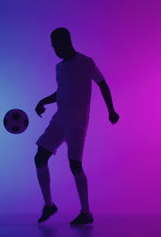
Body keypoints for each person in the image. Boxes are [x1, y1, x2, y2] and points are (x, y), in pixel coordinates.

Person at [35, 27, 119, 225]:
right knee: (40, 156)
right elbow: (62, 92)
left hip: (77, 123)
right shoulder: (60, 68)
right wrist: (43, 101)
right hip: (59, 119)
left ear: (66, 42)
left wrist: (111, 110)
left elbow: (102, 84)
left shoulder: (86, 62)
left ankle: (86, 213)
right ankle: (49, 205)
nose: (55, 50)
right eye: (53, 47)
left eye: (57, 46)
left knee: (74, 165)